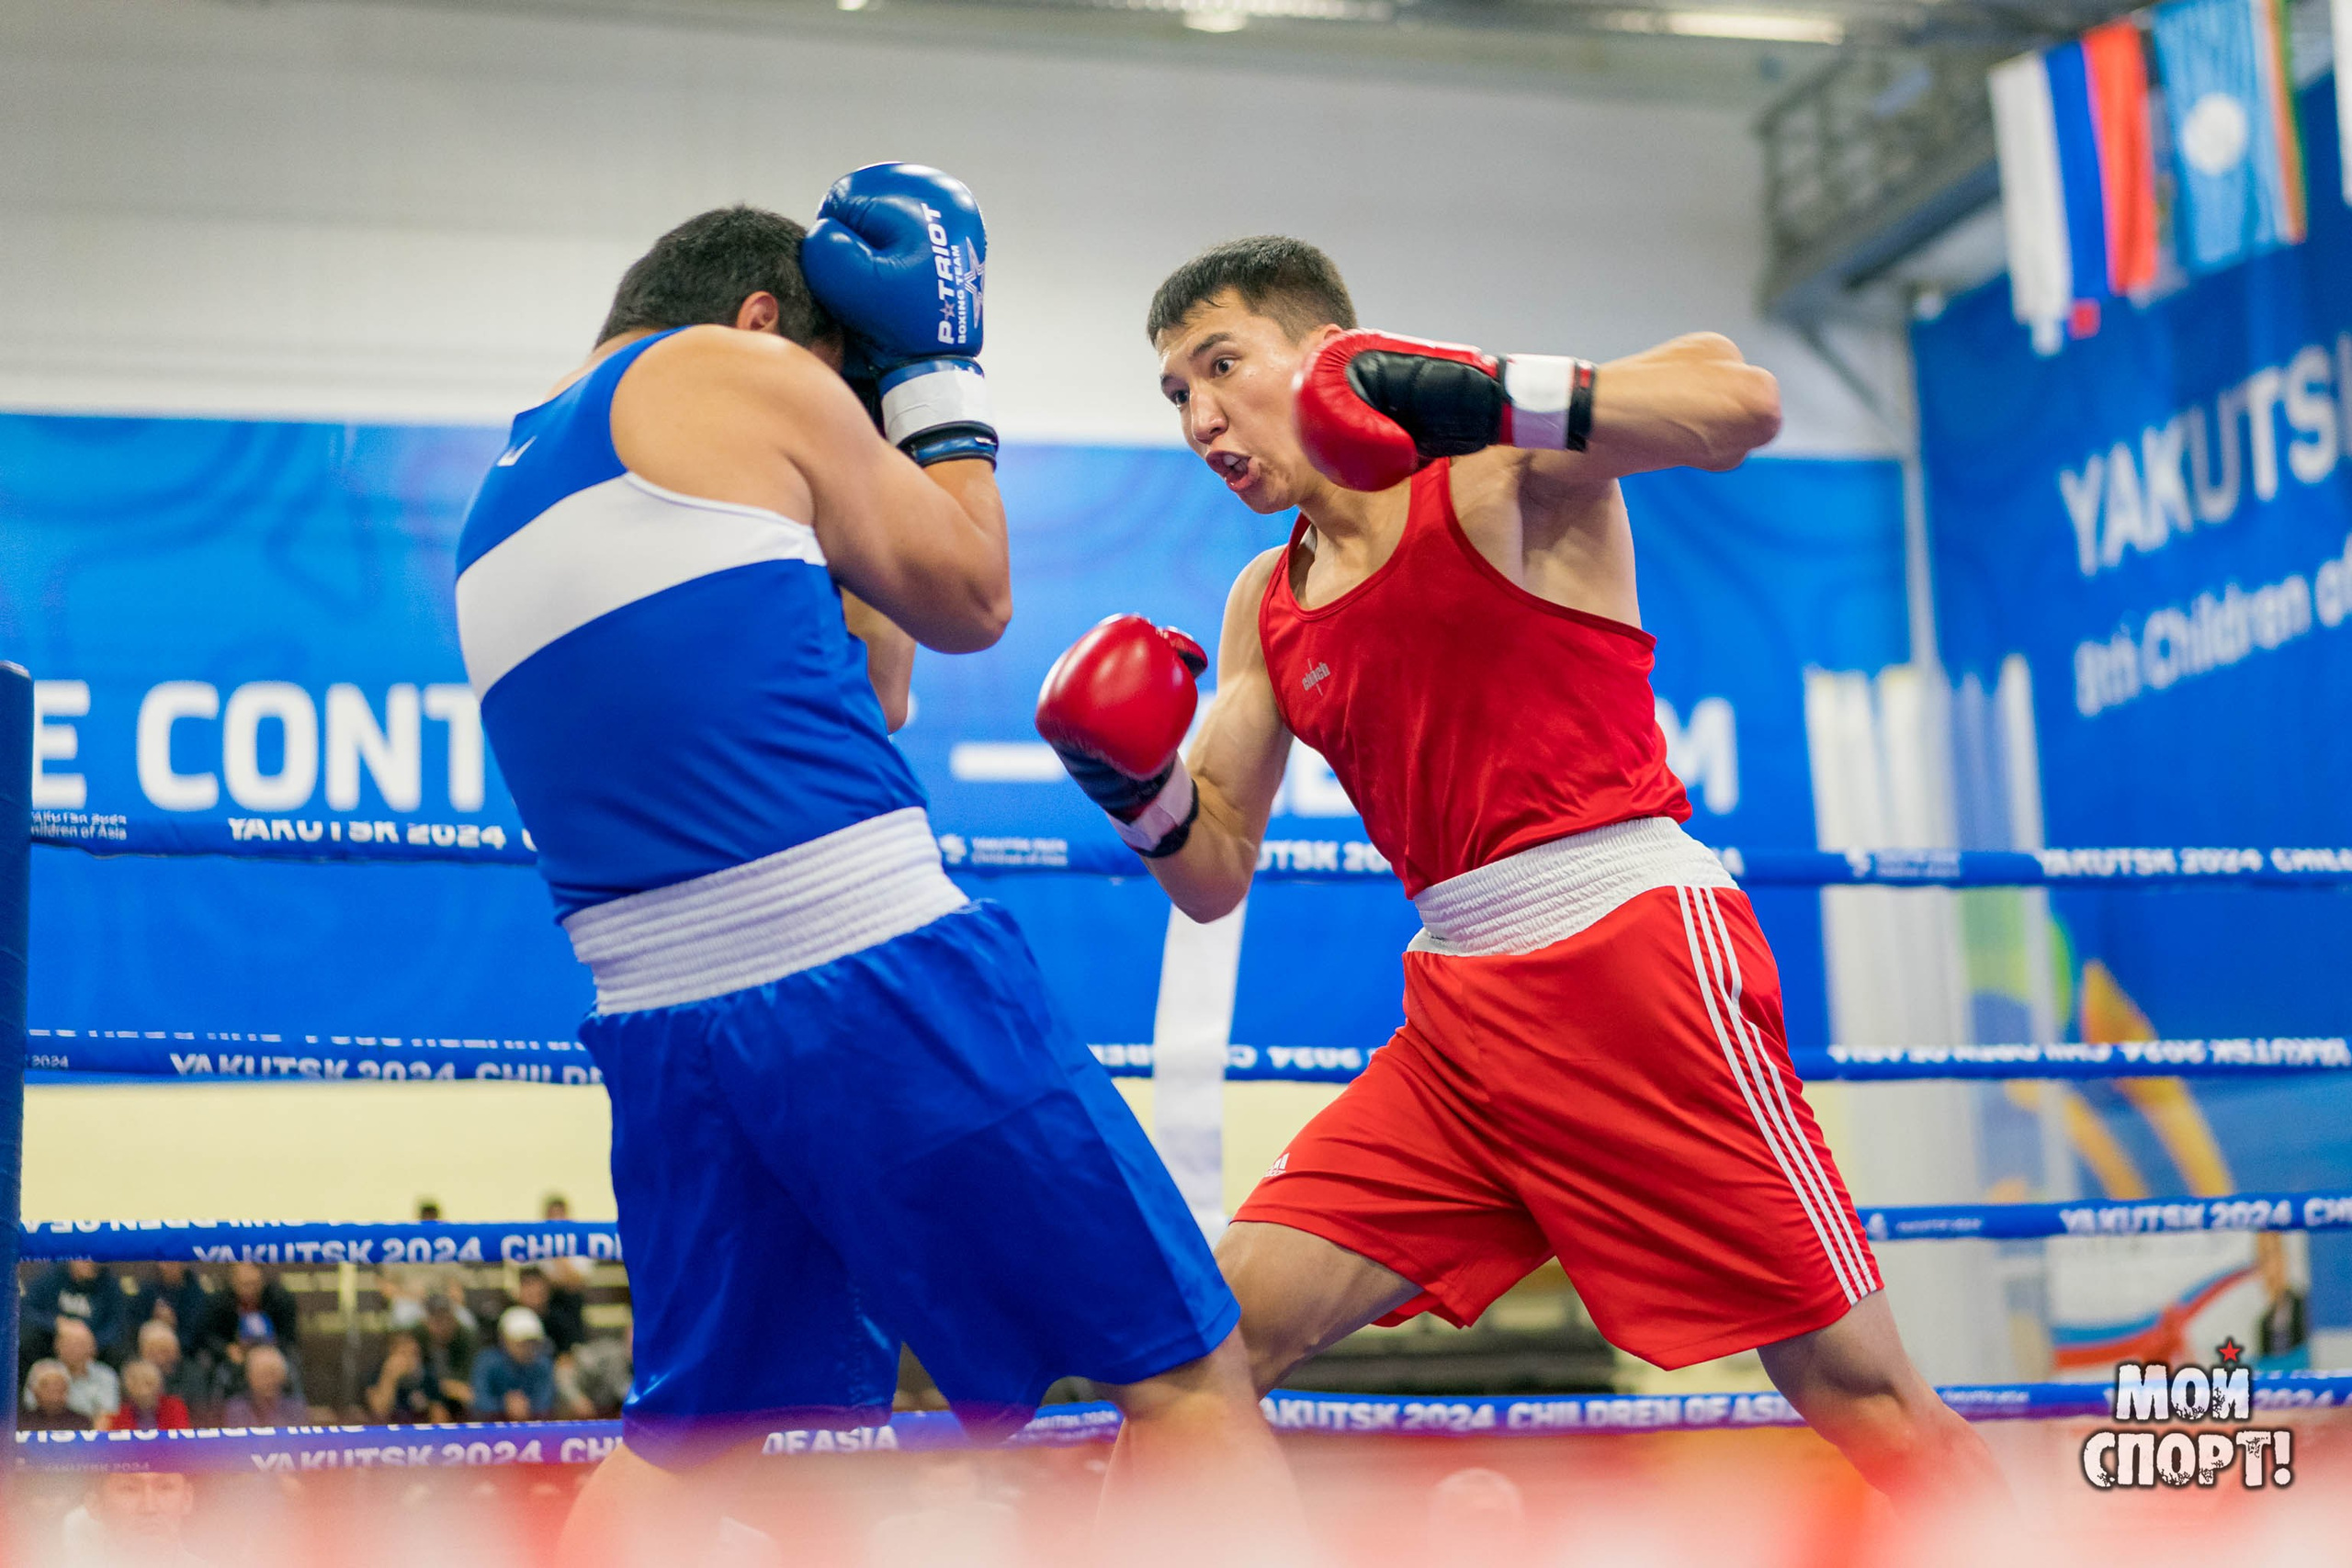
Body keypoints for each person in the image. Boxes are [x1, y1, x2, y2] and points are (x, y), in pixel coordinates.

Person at [1035, 236, 2003, 1506]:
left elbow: (1738, 401)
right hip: (1458, 1029)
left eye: (1221, 366)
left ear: (1326, 353)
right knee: (1203, 1345)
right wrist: (1136, 781)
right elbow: (1212, 864)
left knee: (1859, 1393)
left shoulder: (1496, 469)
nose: (1202, 417)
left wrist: (1483, 391)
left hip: (1633, 966)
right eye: (1175, 394)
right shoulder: (1266, 598)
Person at [452, 173, 1283, 1556]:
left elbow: (878, 679)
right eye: (840, 383)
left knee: (687, 1443)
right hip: (870, 978)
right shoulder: (728, 370)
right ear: (768, 318)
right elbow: (967, 595)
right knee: (1188, 1369)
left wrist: (871, 403)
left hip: (668, 1037)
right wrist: (935, 378)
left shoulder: (504, 497)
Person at [470, 1306, 571, 1422]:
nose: (527, 1348)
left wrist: (527, 1407)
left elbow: (546, 1401)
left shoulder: (543, 1365)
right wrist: (504, 1406)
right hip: (491, 1429)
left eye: (532, 1343)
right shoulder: (487, 1362)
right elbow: (479, 1400)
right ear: (504, 1340)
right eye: (521, 1343)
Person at [21, 1259, 127, 1366]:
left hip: (94, 1349)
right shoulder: (52, 1277)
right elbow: (27, 1310)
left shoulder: (109, 1285)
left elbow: (117, 1324)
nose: (90, 1263)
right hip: (51, 1343)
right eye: (85, 1260)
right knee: (27, 1339)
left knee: (117, 1351)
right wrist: (58, 1324)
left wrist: (91, 1340)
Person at [47, 1318, 121, 1424]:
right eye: (69, 1344)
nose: (74, 1350)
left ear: (92, 1348)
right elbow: (33, 1410)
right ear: (57, 1346)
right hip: (52, 1429)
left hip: (92, 1434)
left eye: (80, 1345)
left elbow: (108, 1414)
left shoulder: (106, 1375)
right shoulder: (43, 1372)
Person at [133, 1323, 210, 1424]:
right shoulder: (134, 1378)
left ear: (175, 1351)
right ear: (142, 1353)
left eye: (163, 1351)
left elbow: (200, 1413)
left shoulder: (193, 1375)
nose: (159, 1358)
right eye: (152, 1352)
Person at [218, 1344, 298, 1427]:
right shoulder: (235, 1409)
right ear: (250, 1377)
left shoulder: (295, 1409)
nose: (269, 1381)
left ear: (283, 1377)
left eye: (273, 1374)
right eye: (263, 1375)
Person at [105, 1359, 193, 1432]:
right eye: (137, 1386)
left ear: (160, 1385)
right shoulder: (120, 1414)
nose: (144, 1391)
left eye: (149, 1384)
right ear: (128, 1389)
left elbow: (181, 1441)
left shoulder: (175, 1406)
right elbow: (118, 1446)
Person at [22, 1359, 89, 1431]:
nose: (55, 1397)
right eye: (48, 1389)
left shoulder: (81, 1423)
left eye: (59, 1389)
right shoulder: (19, 1423)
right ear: (34, 1391)